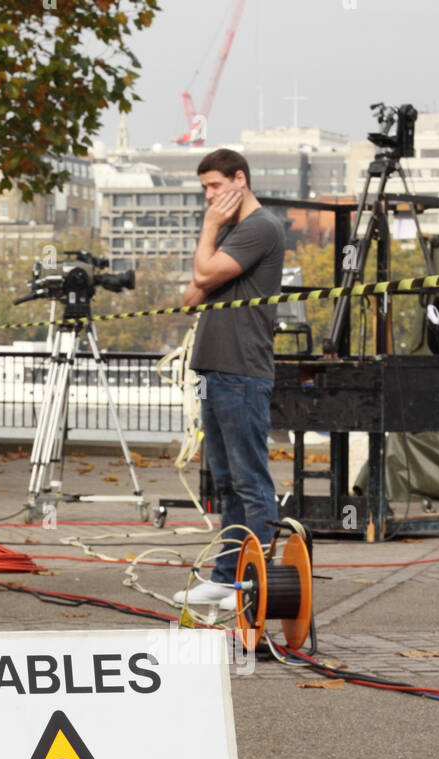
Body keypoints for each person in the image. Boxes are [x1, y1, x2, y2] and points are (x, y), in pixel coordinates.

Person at [173, 148, 285, 610]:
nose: (209, 197)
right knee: (225, 480)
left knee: (249, 480)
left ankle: (254, 582)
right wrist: (210, 262)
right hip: (217, 369)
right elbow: (189, 297)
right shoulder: (237, 233)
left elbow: (202, 274)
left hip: (241, 370)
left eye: (215, 186)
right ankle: (226, 576)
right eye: (204, 189)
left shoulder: (258, 228)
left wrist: (208, 231)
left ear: (240, 179)